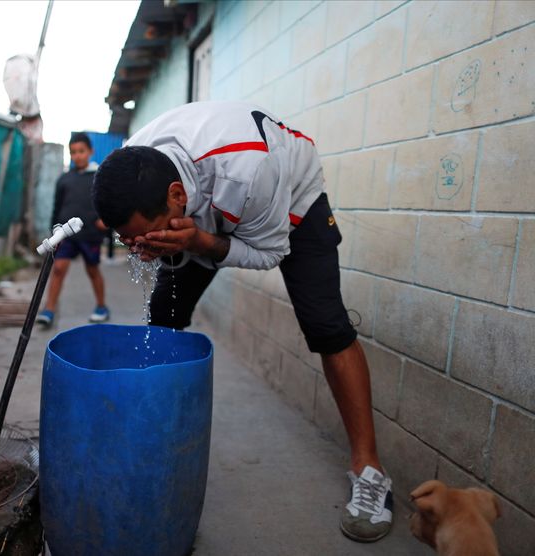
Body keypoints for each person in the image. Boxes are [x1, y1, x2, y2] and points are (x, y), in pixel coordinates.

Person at [92, 101, 392, 542]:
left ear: (177, 197)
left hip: (292, 199)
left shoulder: (250, 171)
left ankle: (369, 471)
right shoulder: (128, 170)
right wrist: (160, 242)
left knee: (327, 325)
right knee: (163, 316)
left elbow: (271, 252)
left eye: (150, 233)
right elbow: (149, 230)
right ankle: (149, 435)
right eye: (132, 241)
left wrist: (200, 240)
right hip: (204, 211)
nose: (143, 247)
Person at [36, 132, 110, 327]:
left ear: (90, 151)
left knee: (92, 270)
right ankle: (49, 310)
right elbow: (57, 207)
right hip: (65, 235)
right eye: (73, 152)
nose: (77, 155)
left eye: (81, 151)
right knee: (58, 269)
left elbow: (108, 203)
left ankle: (101, 306)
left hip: (90, 234)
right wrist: (54, 231)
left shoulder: (99, 177)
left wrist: (106, 220)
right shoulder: (64, 179)